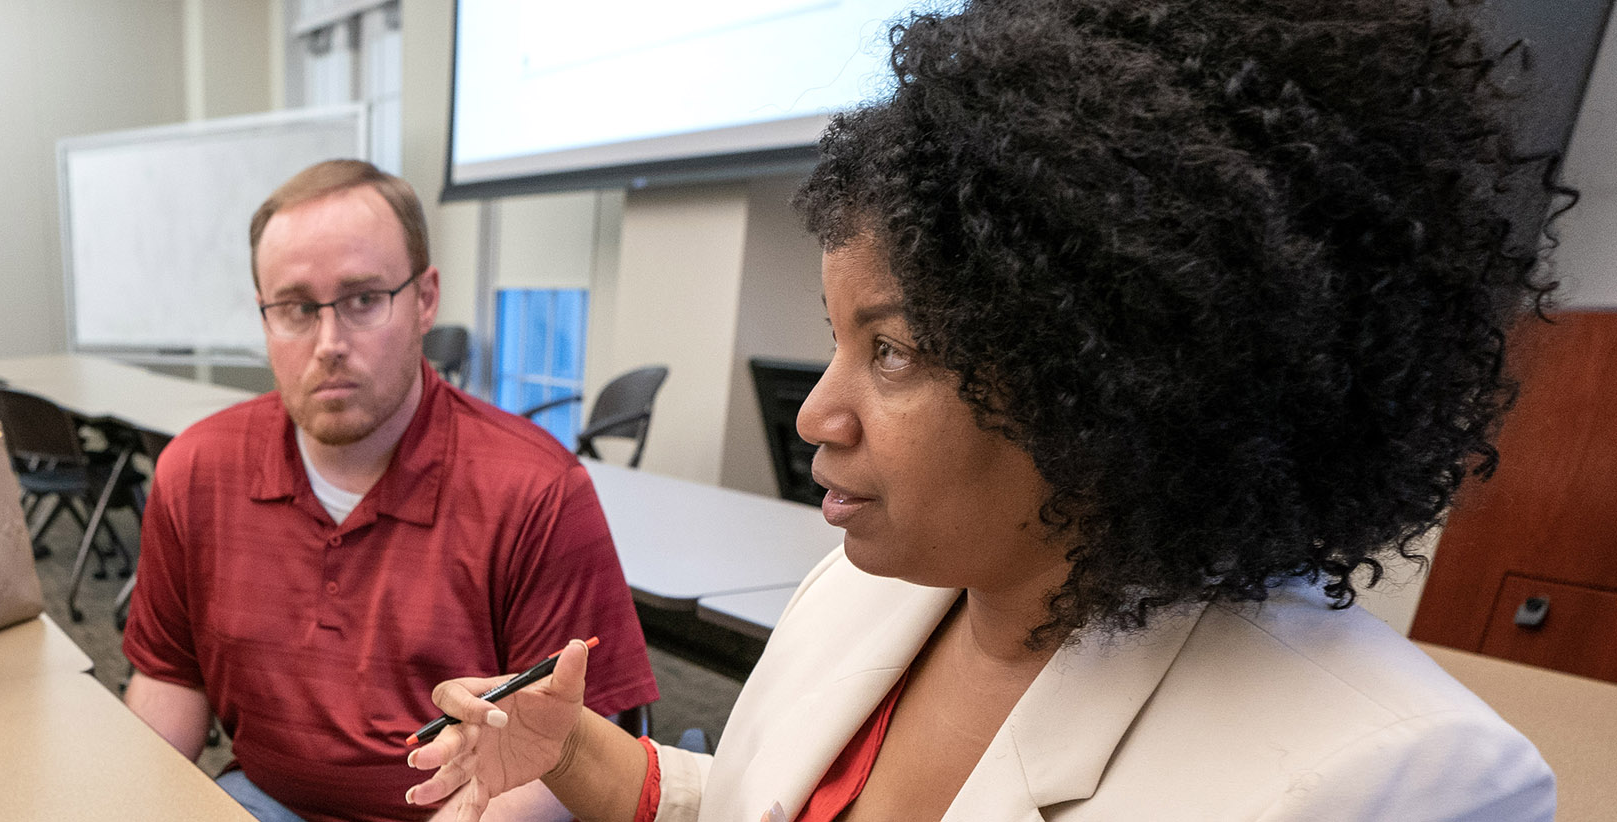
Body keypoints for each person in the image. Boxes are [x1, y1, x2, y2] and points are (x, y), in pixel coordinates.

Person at [407, 1, 1559, 820]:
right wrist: (585, 757)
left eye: (893, 350)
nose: (817, 416)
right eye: (835, 337)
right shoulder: (869, 593)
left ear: (1112, 378)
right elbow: (779, 801)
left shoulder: (1397, 781)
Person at [123, 160, 659, 822]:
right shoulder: (195, 471)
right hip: (268, 799)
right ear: (263, 316)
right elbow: (169, 681)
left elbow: (567, 758)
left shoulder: (536, 490)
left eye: (363, 300)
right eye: (294, 308)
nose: (328, 345)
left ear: (425, 298)